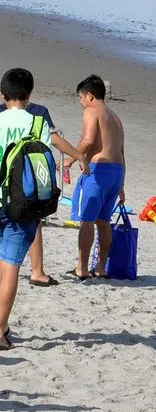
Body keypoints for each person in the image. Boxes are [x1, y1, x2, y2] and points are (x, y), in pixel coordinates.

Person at [0, 99, 89, 287]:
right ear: (28, 92)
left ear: (4, 94)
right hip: (27, 187)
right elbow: (55, 140)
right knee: (31, 225)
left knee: (4, 247)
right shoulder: (39, 114)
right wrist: (78, 156)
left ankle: (16, 273)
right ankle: (36, 271)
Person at [0, 68, 52, 351]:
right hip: (24, 204)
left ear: (3, 95)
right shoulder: (38, 124)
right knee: (12, 263)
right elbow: (43, 169)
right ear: (29, 96)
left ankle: (1, 323)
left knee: (2, 258)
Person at [66, 75, 125, 280]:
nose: (81, 102)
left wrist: (70, 159)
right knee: (103, 221)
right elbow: (121, 151)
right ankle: (100, 266)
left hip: (99, 170)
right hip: (116, 172)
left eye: (80, 98)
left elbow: (88, 139)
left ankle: (81, 268)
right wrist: (121, 186)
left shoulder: (91, 111)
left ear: (89, 96)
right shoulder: (115, 117)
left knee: (87, 221)